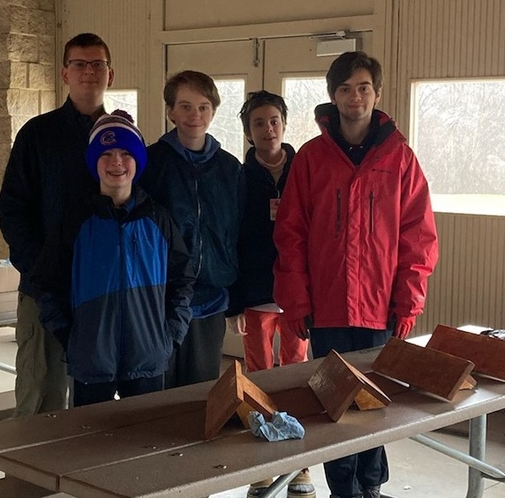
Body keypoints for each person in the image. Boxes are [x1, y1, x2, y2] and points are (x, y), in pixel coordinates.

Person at [273, 51, 439, 498]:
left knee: (374, 404)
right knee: (334, 405)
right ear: (333, 96)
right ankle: (341, 489)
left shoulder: (400, 159)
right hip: (326, 309)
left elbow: (418, 237)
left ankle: (371, 487)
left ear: (377, 94)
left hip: (378, 307)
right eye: (345, 88)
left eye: (363, 87)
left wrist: (409, 302)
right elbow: (290, 234)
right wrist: (296, 301)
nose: (355, 96)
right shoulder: (310, 159)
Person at [30, 114, 195, 406]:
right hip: (91, 360)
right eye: (105, 154)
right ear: (94, 162)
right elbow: (47, 282)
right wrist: (70, 337)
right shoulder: (76, 221)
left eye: (125, 153)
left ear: (138, 161)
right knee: (90, 445)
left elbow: (182, 279)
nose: (115, 162)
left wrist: (169, 335)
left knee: (145, 441)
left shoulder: (158, 219)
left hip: (148, 356)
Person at [0, 32, 114, 416]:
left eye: (97, 64)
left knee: (94, 394)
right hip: (45, 287)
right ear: (65, 74)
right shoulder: (38, 134)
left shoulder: (121, 135)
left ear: (109, 75)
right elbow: (13, 209)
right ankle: (29, 477)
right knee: (39, 390)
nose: (88, 72)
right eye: (79, 64)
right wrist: (40, 269)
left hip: (102, 287)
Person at [228, 90, 314, 498]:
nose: (269, 128)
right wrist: (234, 301)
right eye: (259, 122)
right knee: (259, 375)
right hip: (256, 291)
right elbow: (231, 239)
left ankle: (298, 466)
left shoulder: (305, 169)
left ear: (285, 123)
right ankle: (262, 464)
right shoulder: (239, 178)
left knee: (297, 373)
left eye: (275, 120)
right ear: (249, 131)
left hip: (297, 291)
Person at [138, 70, 244, 389]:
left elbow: (238, 234)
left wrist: (238, 298)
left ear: (213, 110)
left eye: (202, 107)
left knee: (202, 392)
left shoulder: (230, 169)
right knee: (159, 390)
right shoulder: (150, 163)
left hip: (211, 298)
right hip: (161, 298)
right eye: (184, 106)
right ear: (170, 111)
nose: (194, 115)